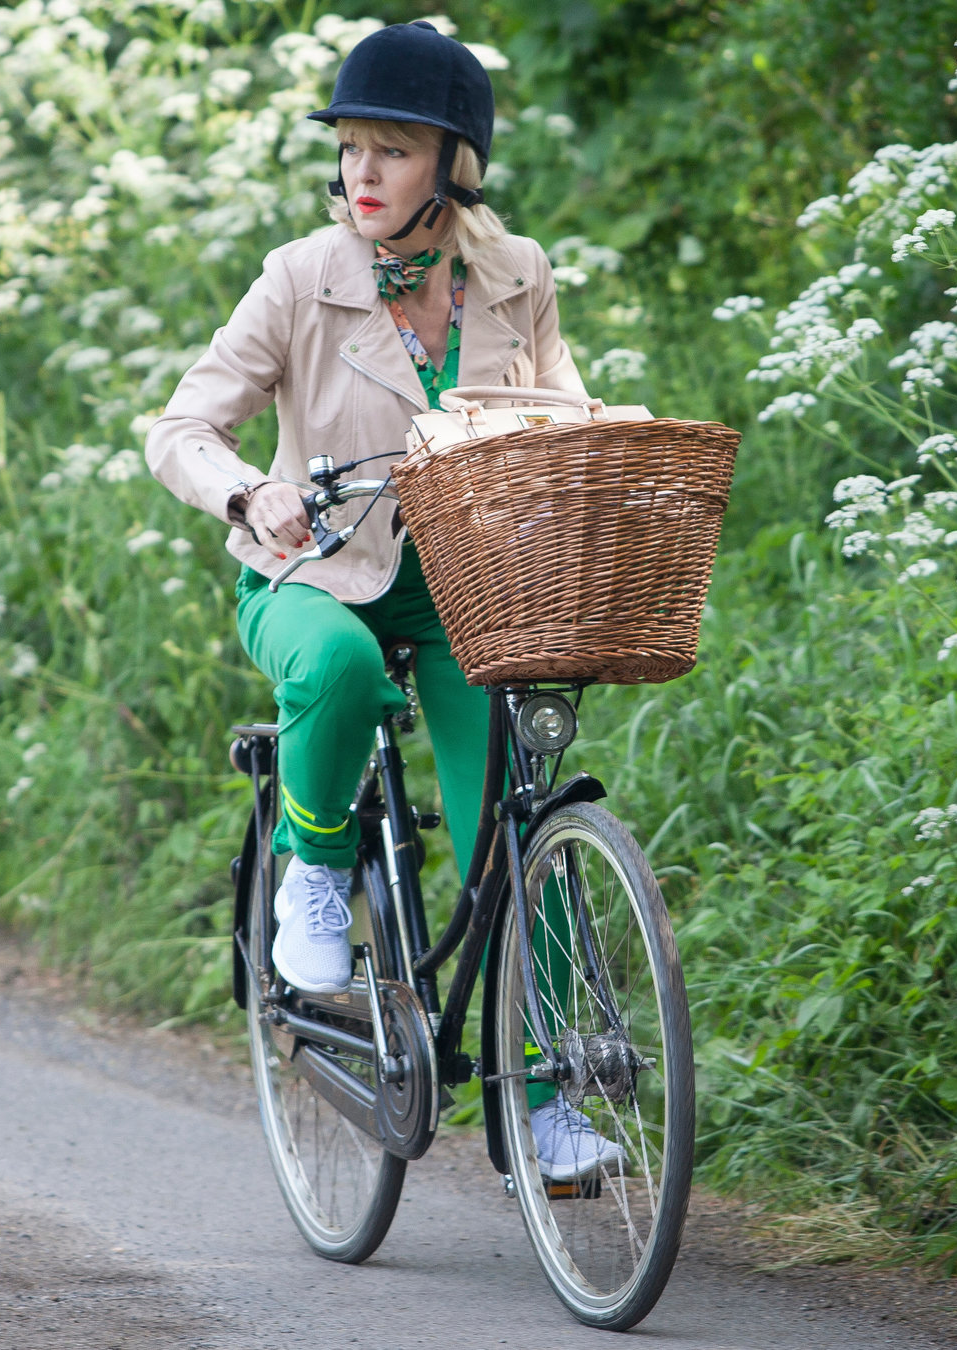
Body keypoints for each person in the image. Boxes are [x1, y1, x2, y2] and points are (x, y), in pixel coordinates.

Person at [144, 21, 622, 1181]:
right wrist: (252, 495)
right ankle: (313, 871)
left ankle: (550, 1101)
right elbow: (181, 427)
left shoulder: (515, 276)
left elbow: (558, 413)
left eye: (391, 150)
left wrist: (603, 451)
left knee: (517, 820)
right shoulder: (303, 278)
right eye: (351, 148)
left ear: (453, 164)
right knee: (342, 673)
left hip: (465, 593)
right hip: (308, 576)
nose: (361, 174)